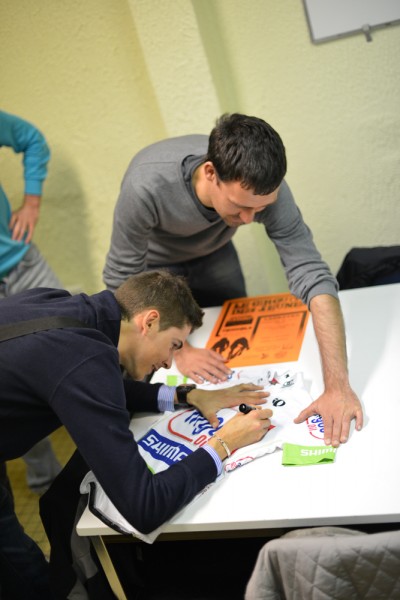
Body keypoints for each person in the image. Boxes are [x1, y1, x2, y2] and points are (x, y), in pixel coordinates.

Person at [0, 270, 272, 599]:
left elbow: (93, 383)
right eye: (174, 346)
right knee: (20, 572)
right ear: (149, 322)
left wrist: (186, 395)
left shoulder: (68, 310)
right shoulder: (84, 360)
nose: (170, 362)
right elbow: (144, 506)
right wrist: (225, 442)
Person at [103, 112, 363, 448]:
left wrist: (337, 386)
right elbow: (122, 280)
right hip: (156, 269)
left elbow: (311, 272)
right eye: (240, 207)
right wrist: (180, 348)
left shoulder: (266, 190)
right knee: (159, 376)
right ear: (210, 173)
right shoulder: (146, 186)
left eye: (260, 208)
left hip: (216, 256)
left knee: (231, 342)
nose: (248, 220)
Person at [0, 109, 62, 494]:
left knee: (89, 342)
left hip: (24, 265)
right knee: (15, 391)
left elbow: (31, 139)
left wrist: (32, 200)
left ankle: (125, 450)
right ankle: (50, 490)